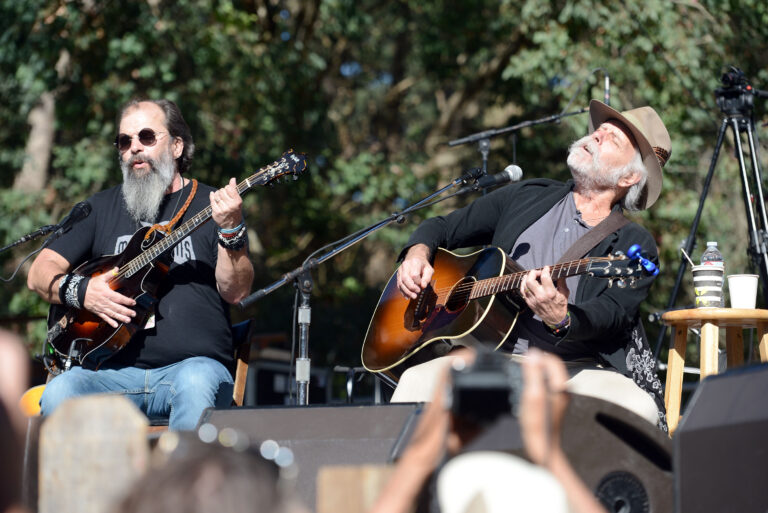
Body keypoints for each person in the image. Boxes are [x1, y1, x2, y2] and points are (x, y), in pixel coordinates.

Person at [392, 100, 671, 429]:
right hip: (489, 359)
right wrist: (417, 253)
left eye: (612, 139)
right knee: (414, 383)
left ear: (629, 177)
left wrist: (564, 318)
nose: (597, 135)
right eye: (599, 129)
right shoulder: (526, 195)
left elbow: (612, 314)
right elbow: (444, 227)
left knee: (637, 407)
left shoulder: (633, 244)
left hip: (574, 369)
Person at [27, 99, 254, 430]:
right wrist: (84, 292)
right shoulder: (98, 208)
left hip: (190, 370)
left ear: (177, 146)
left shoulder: (215, 206)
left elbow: (237, 292)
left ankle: (180, 482)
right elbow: (39, 273)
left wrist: (232, 228)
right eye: (125, 141)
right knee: (62, 390)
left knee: (195, 383)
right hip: (105, 375)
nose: (134, 148)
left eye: (147, 137)